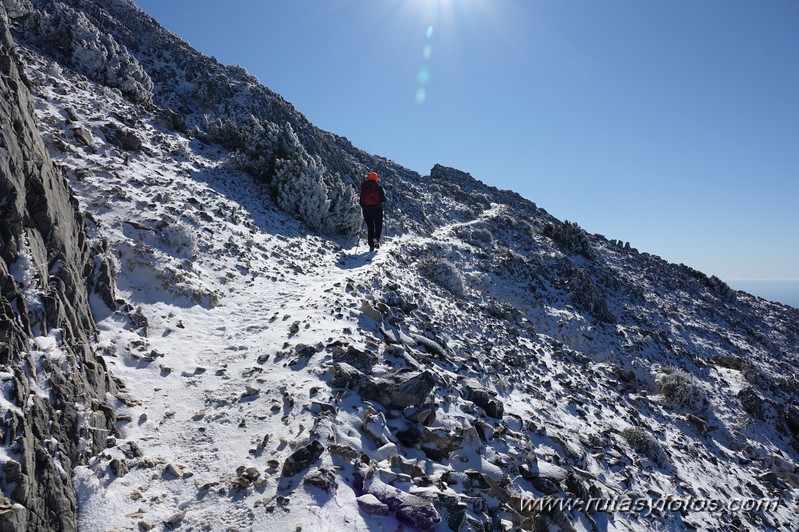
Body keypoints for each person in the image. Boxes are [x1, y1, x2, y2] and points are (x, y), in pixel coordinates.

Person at [359, 171, 386, 252]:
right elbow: (383, 199)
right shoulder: (378, 187)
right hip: (377, 209)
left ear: (369, 178)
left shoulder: (364, 187)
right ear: (376, 179)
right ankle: (376, 241)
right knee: (378, 226)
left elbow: (361, 200)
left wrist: (365, 207)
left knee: (370, 227)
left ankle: (371, 246)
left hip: (367, 210)